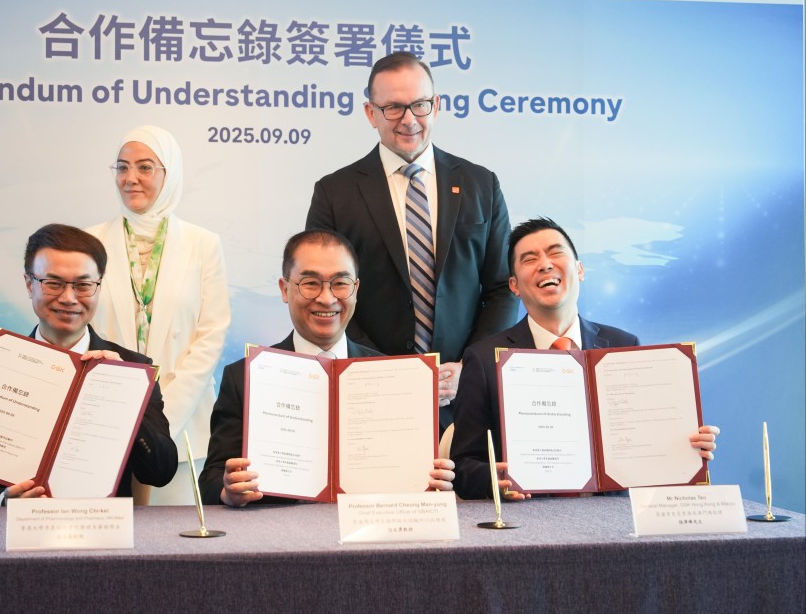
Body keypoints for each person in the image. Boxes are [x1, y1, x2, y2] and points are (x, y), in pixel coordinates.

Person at [306, 51, 517, 431]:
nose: (408, 120)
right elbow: (327, 294)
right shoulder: (335, 193)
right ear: (371, 113)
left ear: (435, 106)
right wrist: (378, 369)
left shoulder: (481, 185)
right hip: (370, 392)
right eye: (393, 108)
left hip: (465, 394)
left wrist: (471, 364)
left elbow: (504, 287)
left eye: (419, 105)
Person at [450, 217, 721, 501]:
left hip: (615, 523)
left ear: (579, 270)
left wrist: (683, 447)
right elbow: (465, 468)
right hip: (528, 525)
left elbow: (647, 449)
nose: (545, 264)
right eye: (529, 259)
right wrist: (498, 478)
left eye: (556, 253)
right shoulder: (483, 360)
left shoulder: (623, 346)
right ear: (514, 285)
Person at [198, 229, 455, 507]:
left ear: (356, 290)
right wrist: (229, 490)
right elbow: (211, 480)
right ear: (285, 289)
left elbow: (413, 476)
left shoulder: (391, 377)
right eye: (310, 283)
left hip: (370, 537)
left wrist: (432, 481)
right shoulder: (246, 376)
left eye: (340, 284)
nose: (327, 298)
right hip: (280, 539)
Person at [0, 224, 177, 506]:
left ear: (98, 288)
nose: (69, 298)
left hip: (102, 536)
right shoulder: (0, 361)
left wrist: (124, 392)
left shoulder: (133, 367)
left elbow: (161, 472)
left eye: (82, 285)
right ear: (29, 284)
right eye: (53, 283)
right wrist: (4, 501)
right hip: (15, 537)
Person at [87, 125, 229, 505]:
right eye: (122, 167)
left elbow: (212, 334)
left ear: (169, 175)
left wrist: (163, 419)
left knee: (175, 549)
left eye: (145, 167)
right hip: (104, 424)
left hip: (182, 430)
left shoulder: (202, 244)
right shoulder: (90, 243)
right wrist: (121, 416)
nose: (130, 178)